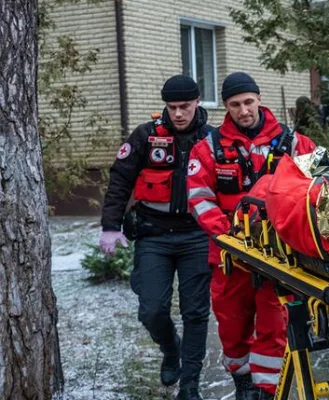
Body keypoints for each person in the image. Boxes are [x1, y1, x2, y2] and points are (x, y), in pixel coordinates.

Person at [187, 72, 316, 400]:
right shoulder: (209, 148)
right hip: (231, 253)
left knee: (274, 319)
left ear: (259, 99)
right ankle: (241, 377)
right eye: (234, 104)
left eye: (248, 102)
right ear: (226, 107)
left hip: (279, 253)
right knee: (232, 322)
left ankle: (265, 389)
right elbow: (199, 196)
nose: (243, 110)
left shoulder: (294, 142)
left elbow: (317, 186)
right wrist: (228, 234)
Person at [100, 75, 212, 400]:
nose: (178, 114)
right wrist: (110, 225)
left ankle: (190, 385)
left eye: (185, 107)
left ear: (197, 102)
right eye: (172, 107)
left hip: (196, 236)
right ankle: (170, 347)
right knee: (151, 309)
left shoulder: (212, 140)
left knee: (195, 313)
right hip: (153, 234)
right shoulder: (146, 136)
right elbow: (120, 180)